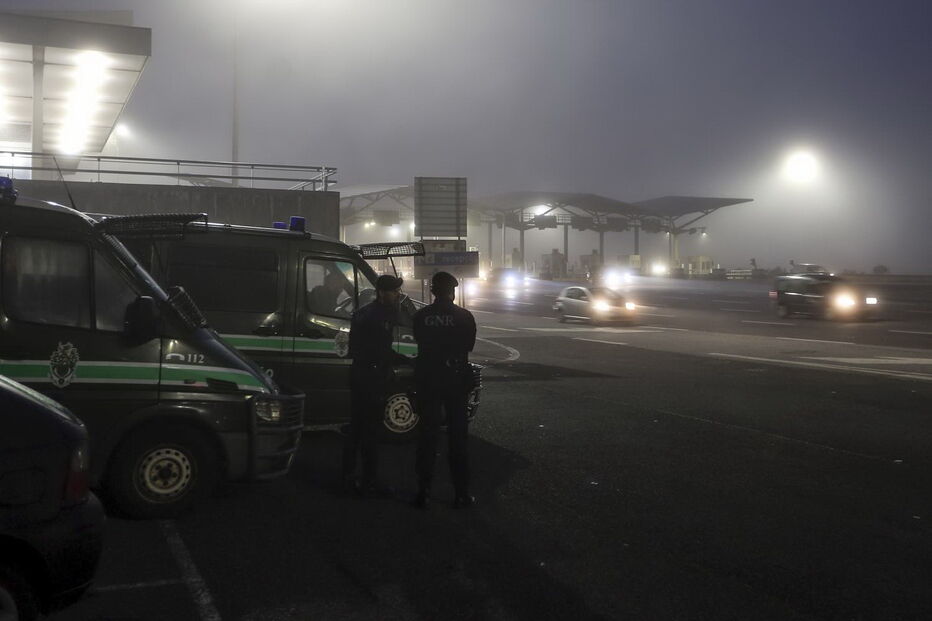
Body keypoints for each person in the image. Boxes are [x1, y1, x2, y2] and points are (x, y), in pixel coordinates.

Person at [411, 271, 477, 509]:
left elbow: (419, 341)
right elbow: (468, 345)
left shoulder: (421, 316)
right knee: (457, 439)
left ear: (432, 291)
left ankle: (423, 490)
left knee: (427, 437)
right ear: (453, 292)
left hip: (428, 380)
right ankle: (461, 493)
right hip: (455, 381)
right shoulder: (464, 316)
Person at [342, 274, 407, 495]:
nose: (398, 295)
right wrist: (404, 361)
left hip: (360, 374)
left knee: (357, 428)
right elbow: (380, 351)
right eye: (394, 291)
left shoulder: (364, 313)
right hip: (372, 377)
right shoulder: (379, 316)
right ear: (382, 292)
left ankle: (348, 474)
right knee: (370, 430)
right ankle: (368, 479)